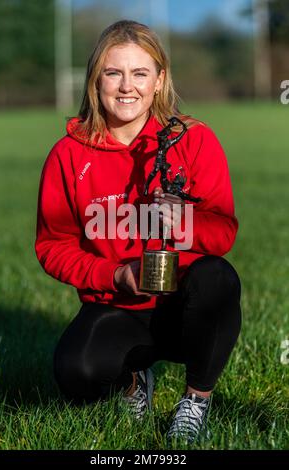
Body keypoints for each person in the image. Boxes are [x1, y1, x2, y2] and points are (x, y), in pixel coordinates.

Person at [35, 20, 242, 446]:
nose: (126, 86)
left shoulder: (194, 140)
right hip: (117, 306)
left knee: (218, 277)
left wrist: (184, 223)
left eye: (140, 73)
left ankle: (195, 400)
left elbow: (223, 232)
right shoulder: (68, 154)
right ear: (96, 79)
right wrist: (115, 275)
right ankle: (135, 381)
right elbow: (52, 247)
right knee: (76, 372)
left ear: (159, 79)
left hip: (183, 308)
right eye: (114, 73)